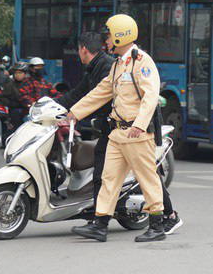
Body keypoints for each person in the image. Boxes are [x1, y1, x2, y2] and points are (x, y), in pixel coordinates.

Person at [66, 14, 167, 242]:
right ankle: (100, 225)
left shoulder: (142, 62)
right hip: (118, 133)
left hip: (136, 133)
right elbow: (102, 91)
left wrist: (140, 125)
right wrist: (75, 112)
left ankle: (157, 225)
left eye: (109, 37)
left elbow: (151, 96)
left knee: (147, 178)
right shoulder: (119, 65)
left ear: (121, 37)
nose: (107, 42)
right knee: (108, 178)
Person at [0, 61, 28, 129]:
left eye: (20, 73)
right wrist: (11, 103)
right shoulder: (10, 85)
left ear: (25, 74)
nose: (17, 75)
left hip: (28, 111)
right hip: (15, 111)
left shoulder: (28, 84)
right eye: (16, 73)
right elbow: (1, 97)